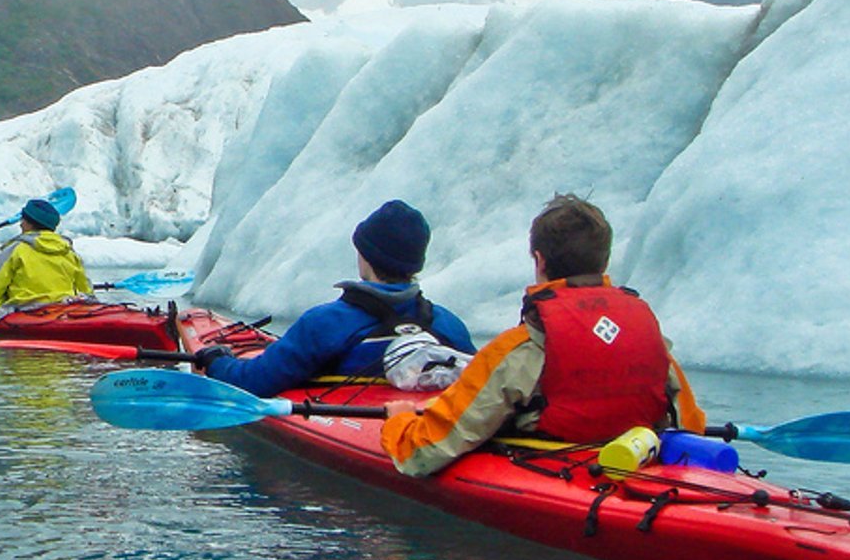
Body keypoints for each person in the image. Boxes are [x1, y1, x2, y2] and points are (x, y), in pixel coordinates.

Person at [380, 193, 706, 477]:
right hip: (634, 470)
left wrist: (400, 422)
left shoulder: (519, 348)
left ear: (539, 260)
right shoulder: (646, 338)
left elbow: (421, 455)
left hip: (555, 469)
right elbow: (692, 425)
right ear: (604, 261)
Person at [192, 199, 475, 397]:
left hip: (353, 428)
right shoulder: (448, 325)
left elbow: (252, 383)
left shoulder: (326, 323)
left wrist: (217, 362)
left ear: (366, 257)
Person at [0, 197, 92, 329]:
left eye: (23, 220)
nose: (21, 224)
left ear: (29, 224)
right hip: (63, 306)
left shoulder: (17, 249)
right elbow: (86, 291)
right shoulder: (68, 251)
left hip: (26, 308)